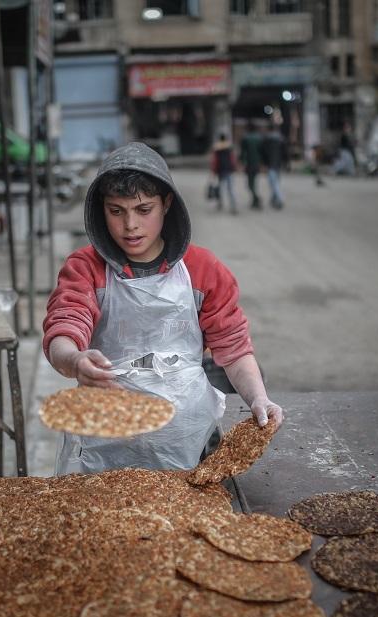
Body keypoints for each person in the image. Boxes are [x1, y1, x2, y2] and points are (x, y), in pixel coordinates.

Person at [43, 142, 283, 474]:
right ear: (101, 209)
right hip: (105, 445)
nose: (130, 226)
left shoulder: (203, 270)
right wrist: (74, 359)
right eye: (116, 211)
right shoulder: (86, 268)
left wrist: (259, 398)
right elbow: (65, 327)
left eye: (144, 210)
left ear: (167, 204)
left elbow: (233, 348)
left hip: (186, 442)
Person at [260, 125, 287, 209]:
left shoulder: (266, 140)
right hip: (278, 164)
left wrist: (264, 164)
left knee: (273, 183)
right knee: (275, 182)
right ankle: (273, 199)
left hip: (271, 165)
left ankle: (280, 199)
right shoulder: (281, 139)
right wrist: (285, 163)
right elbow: (285, 153)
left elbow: (263, 154)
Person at [211, 132, 238, 214]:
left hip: (221, 170)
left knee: (220, 188)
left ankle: (220, 204)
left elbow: (215, 161)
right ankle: (233, 206)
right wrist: (234, 167)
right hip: (229, 170)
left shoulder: (217, 148)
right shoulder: (230, 147)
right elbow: (233, 159)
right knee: (230, 189)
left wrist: (213, 170)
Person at [239, 123, 263, 209]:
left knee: (250, 184)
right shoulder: (259, 138)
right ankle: (255, 201)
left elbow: (243, 153)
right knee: (254, 183)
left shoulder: (245, 138)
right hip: (257, 164)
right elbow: (262, 152)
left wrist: (241, 163)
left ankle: (256, 199)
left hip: (249, 164)